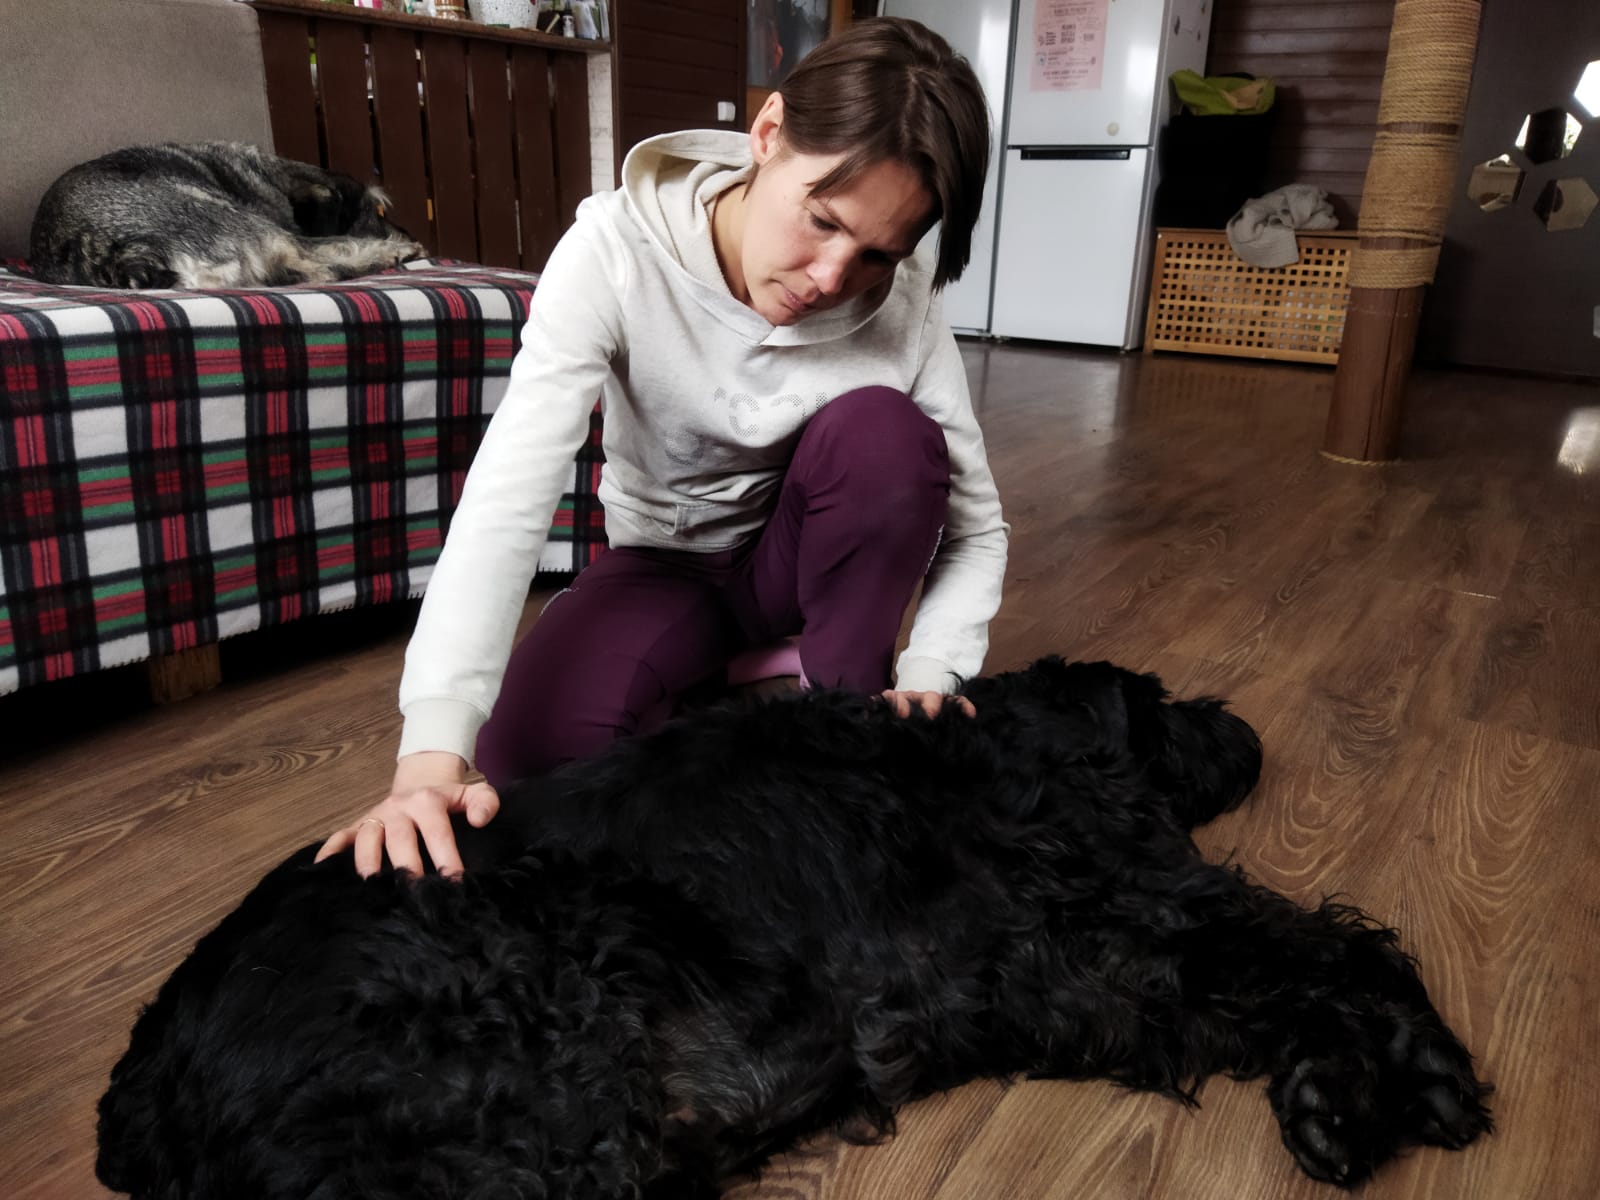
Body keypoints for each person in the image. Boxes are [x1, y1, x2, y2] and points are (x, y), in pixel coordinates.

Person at [317, 17, 1009, 879]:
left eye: (877, 254)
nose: (832, 278)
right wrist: (430, 753)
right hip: (667, 564)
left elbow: (976, 526)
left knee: (886, 438)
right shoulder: (614, 250)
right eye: (822, 220)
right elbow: (508, 493)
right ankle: (753, 678)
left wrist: (934, 672)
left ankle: (833, 697)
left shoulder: (904, 299)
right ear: (768, 133)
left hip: (804, 565)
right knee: (524, 756)